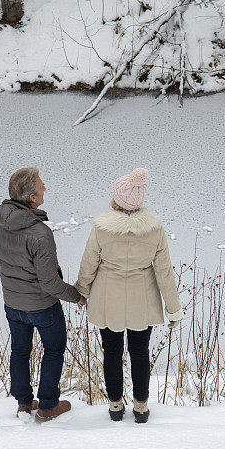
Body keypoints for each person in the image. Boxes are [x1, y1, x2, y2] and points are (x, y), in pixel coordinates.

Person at [76, 168, 183, 423]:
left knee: (111, 352)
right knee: (139, 352)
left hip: (107, 298)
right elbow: (164, 271)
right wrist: (173, 308)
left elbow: (89, 262)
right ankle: (141, 407)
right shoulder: (154, 229)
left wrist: (82, 291)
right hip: (141, 298)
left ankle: (115, 406)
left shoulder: (102, 228)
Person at [0, 167, 85, 422]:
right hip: (42, 307)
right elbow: (50, 283)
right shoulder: (40, 234)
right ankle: (48, 405)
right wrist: (78, 296)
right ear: (32, 198)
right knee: (54, 349)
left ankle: (23, 403)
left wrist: (15, 282)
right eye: (42, 186)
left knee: (20, 351)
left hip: (13, 304)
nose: (45, 189)